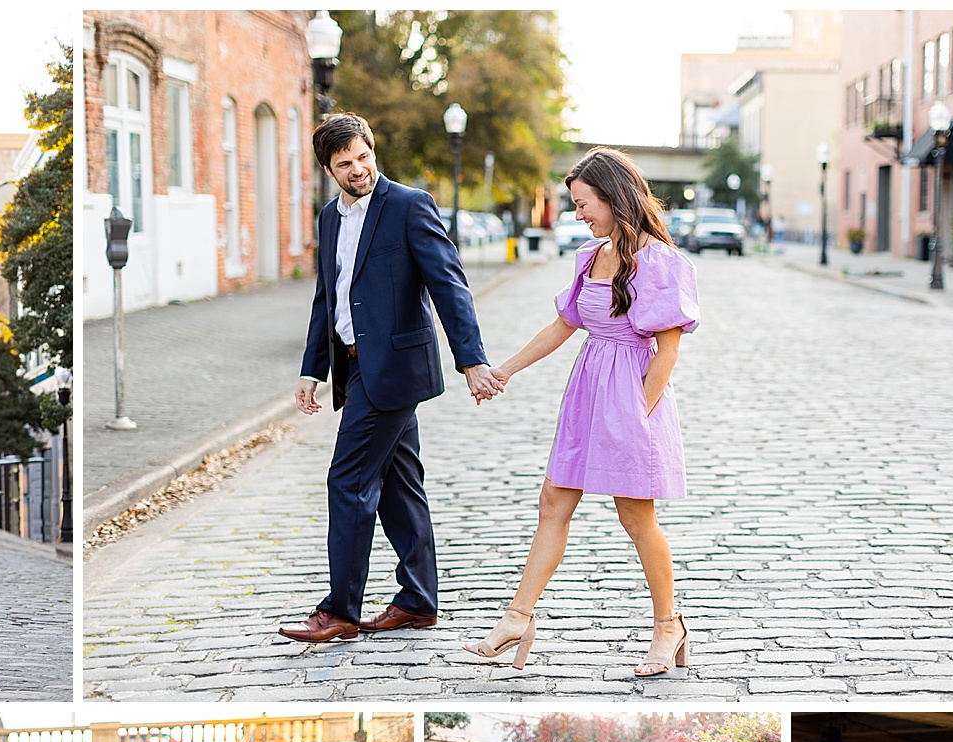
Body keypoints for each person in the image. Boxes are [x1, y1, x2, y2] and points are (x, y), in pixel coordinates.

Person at [462, 148, 700, 677]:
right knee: (553, 501)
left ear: (614, 198)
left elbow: (667, 350)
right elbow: (562, 327)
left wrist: (639, 410)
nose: (578, 215)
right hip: (588, 393)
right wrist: (504, 370)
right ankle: (517, 617)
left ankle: (669, 626)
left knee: (635, 516)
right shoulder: (589, 258)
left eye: (583, 203)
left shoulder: (661, 262)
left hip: (635, 396)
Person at [279, 112, 500, 645]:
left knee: (348, 479)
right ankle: (419, 600)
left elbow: (449, 285)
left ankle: (340, 611)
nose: (359, 170)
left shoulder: (408, 205)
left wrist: (471, 359)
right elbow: (326, 298)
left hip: (395, 368)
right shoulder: (329, 219)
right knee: (401, 486)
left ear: (372, 150)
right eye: (345, 164)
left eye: (364, 157)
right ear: (328, 169)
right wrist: (313, 369)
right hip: (353, 367)